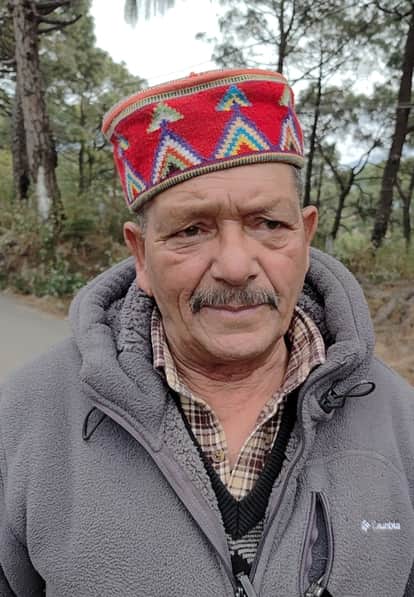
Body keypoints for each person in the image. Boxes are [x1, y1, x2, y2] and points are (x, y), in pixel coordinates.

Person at [1, 68, 413, 597]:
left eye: (269, 224)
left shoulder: (400, 423)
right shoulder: (21, 424)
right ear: (141, 254)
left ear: (305, 237)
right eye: (192, 230)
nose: (236, 266)